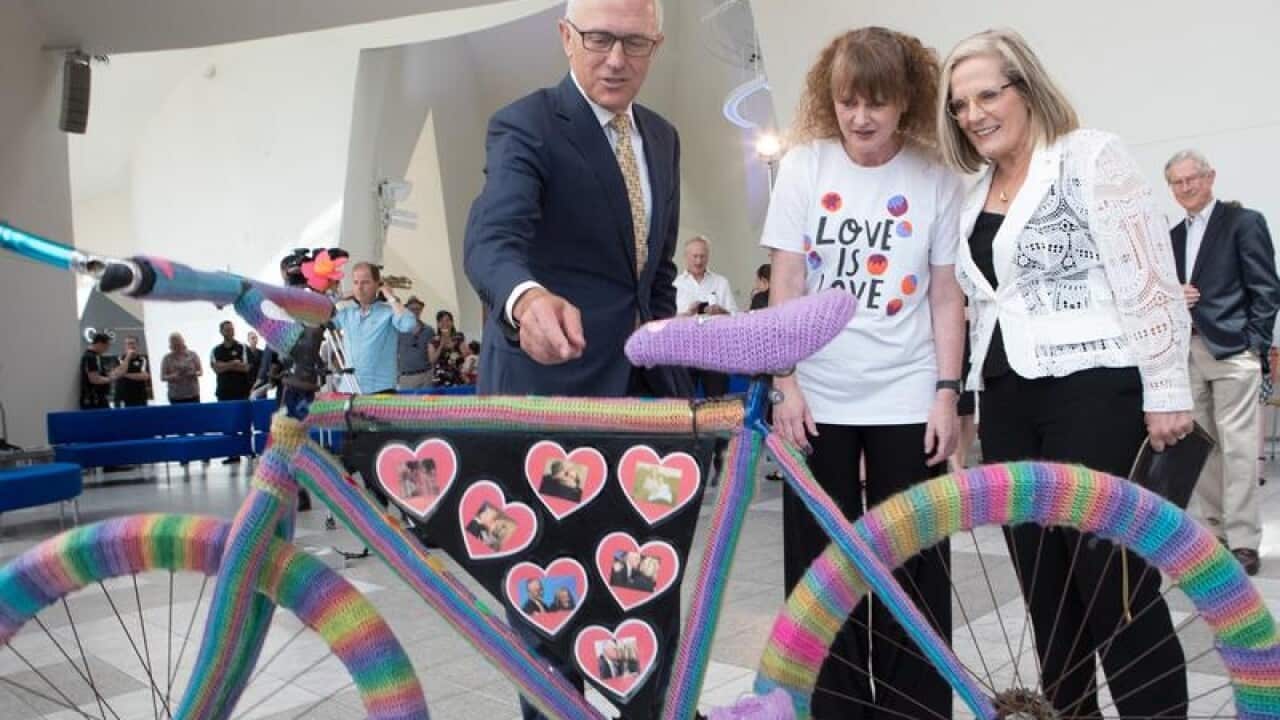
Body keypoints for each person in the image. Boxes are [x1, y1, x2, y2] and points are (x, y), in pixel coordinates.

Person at [939, 28, 1194, 718]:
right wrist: (965, 403)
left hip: (1095, 394)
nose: (974, 114)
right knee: (1047, 598)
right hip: (1010, 404)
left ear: (1027, 88)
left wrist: (1167, 387)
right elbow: (981, 308)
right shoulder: (971, 193)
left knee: (1116, 593)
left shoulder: (1088, 156)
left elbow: (1147, 273)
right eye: (960, 105)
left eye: (988, 94)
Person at [462, 0, 686, 715]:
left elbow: (654, 274)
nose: (615, 58)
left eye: (633, 42)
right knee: (548, 601)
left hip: (645, 410)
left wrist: (674, 348)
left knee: (646, 594)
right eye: (597, 39)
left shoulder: (663, 137)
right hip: (548, 400)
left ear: (656, 44)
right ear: (566, 37)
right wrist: (526, 301)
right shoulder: (526, 124)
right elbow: (494, 241)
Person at [761, 26, 964, 718]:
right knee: (821, 573)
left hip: (907, 394)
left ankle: (917, 709)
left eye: (877, 102)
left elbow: (945, 294)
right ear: (832, 98)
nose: (860, 118)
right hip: (817, 396)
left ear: (906, 102)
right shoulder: (805, 166)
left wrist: (946, 393)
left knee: (916, 566)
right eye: (848, 101)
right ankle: (836, 708)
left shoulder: (936, 179)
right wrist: (784, 382)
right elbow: (784, 281)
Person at [1166, 150, 1280, 576]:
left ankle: (1245, 541)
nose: (1185, 188)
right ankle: (1214, 536)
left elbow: (1266, 288)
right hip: (1188, 352)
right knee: (1202, 450)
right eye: (1176, 183)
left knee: (1239, 449)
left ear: (1210, 177)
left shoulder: (1243, 222)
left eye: (1191, 179)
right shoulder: (1172, 235)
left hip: (1234, 352)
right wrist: (1174, 294)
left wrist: (1254, 345)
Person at [332, 263, 418, 395]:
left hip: (380, 390)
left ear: (378, 285)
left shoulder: (388, 312)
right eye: (356, 282)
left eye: (365, 282)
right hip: (349, 389)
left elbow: (408, 324)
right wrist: (338, 297)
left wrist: (390, 296)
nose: (360, 288)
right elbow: (314, 318)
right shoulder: (347, 313)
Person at [211, 320, 251, 464]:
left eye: (232, 329)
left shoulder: (242, 347)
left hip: (241, 391)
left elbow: (246, 367)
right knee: (228, 425)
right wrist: (233, 364)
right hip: (224, 392)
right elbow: (216, 368)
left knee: (245, 423)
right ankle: (233, 455)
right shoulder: (216, 350)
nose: (230, 331)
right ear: (221, 332)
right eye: (227, 329)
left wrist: (225, 365)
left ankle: (248, 451)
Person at [397, 297, 437, 391]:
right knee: (407, 405)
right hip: (407, 376)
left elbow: (432, 353)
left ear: (421, 310)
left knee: (426, 405)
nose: (415, 311)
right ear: (406, 310)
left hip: (426, 375)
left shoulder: (429, 330)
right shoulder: (399, 329)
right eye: (412, 309)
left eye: (417, 309)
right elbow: (393, 353)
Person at [161, 332, 202, 404]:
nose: (178, 346)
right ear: (171, 345)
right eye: (175, 344)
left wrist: (193, 373)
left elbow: (200, 371)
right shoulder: (166, 358)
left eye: (179, 343)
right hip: (175, 395)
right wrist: (173, 376)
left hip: (192, 394)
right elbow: (163, 377)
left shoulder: (193, 354)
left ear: (183, 342)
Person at [113, 335, 151, 408]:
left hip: (140, 397)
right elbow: (117, 374)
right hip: (122, 397)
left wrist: (125, 374)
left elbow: (144, 376)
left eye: (132, 343)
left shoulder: (142, 359)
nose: (131, 346)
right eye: (128, 344)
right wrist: (128, 357)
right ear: (125, 346)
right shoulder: (119, 359)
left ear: (137, 345)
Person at [79, 332, 115, 410]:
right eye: (106, 346)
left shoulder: (97, 357)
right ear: (99, 344)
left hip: (99, 399)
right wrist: (110, 379)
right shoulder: (90, 357)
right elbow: (94, 379)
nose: (107, 349)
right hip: (94, 401)